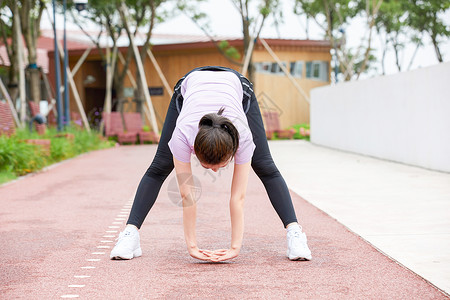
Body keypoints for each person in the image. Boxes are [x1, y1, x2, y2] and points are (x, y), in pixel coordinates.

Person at [110, 66, 312, 262]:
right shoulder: (183, 134)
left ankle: (295, 233)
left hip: (237, 87)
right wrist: (192, 247)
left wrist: (235, 247)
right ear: (194, 149)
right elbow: (187, 195)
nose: (215, 171)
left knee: (264, 165)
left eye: (220, 165)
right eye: (207, 167)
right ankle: (130, 234)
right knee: (160, 165)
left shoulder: (242, 136)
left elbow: (238, 198)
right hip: (189, 86)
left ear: (233, 149)